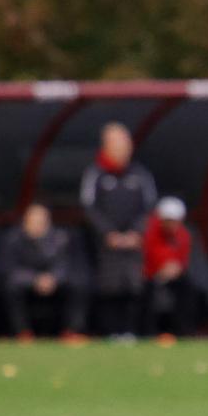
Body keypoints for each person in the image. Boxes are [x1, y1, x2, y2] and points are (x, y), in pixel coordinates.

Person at [80, 122, 156, 337]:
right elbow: (89, 208)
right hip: (107, 244)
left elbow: (149, 207)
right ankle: (110, 332)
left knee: (133, 286)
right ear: (106, 146)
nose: (124, 149)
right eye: (118, 144)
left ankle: (131, 331)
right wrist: (108, 234)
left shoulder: (141, 174)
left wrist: (135, 233)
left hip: (134, 242)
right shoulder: (95, 174)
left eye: (126, 144)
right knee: (109, 287)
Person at [1, 203, 85, 340]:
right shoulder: (13, 239)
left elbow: (65, 265)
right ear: (25, 222)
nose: (37, 225)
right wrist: (35, 279)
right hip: (27, 283)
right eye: (33, 222)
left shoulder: (60, 238)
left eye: (41, 222)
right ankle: (22, 333)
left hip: (54, 283)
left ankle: (73, 331)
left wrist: (53, 278)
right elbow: (10, 269)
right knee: (11, 287)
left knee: (78, 283)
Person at [143, 196, 196, 338]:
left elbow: (182, 258)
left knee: (188, 288)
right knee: (146, 291)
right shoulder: (149, 231)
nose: (173, 225)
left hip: (172, 274)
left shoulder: (183, 234)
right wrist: (161, 268)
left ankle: (184, 332)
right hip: (151, 273)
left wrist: (175, 268)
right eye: (169, 221)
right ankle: (149, 333)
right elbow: (149, 253)